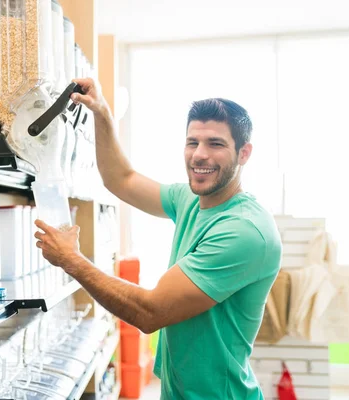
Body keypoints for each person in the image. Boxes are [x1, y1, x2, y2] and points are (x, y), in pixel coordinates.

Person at [33, 78, 282, 400]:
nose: (199, 155)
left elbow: (150, 313)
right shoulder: (190, 199)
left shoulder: (245, 231)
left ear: (244, 153)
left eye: (215, 144)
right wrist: (102, 114)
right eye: (192, 142)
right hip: (179, 390)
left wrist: (72, 260)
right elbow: (122, 179)